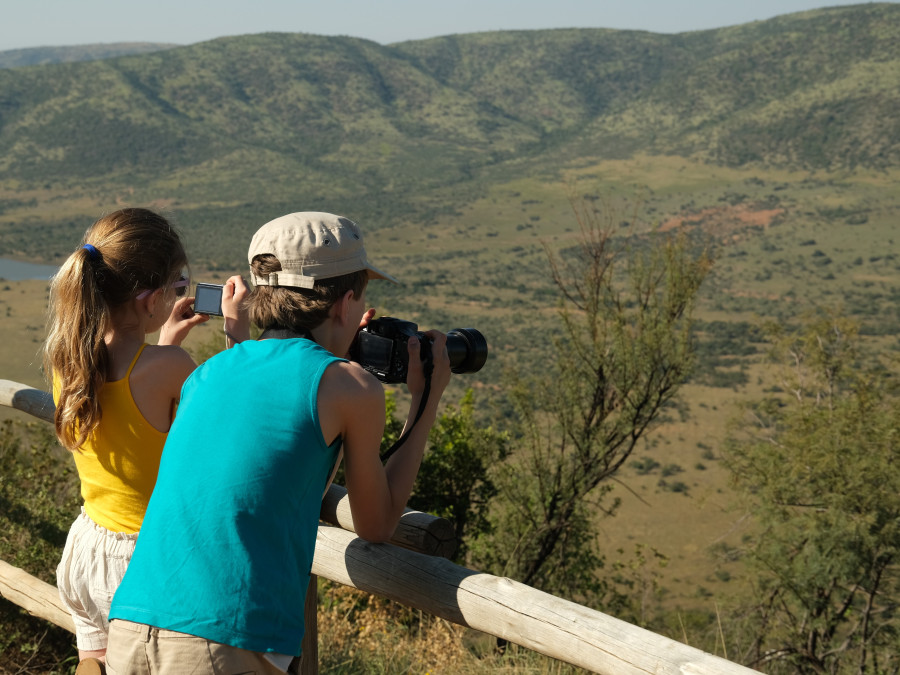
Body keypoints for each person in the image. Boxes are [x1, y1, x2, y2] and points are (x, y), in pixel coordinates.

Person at [104, 211, 452, 674]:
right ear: (346, 303)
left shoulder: (208, 372)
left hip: (133, 621)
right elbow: (377, 524)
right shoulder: (349, 388)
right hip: (225, 636)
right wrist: (427, 397)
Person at [44, 207, 250, 674]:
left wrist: (166, 337)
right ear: (149, 300)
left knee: (96, 663)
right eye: (179, 285)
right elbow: (235, 423)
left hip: (87, 551)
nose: (183, 293)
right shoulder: (169, 369)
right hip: (146, 563)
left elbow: (131, 386)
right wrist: (237, 337)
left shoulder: (67, 359)